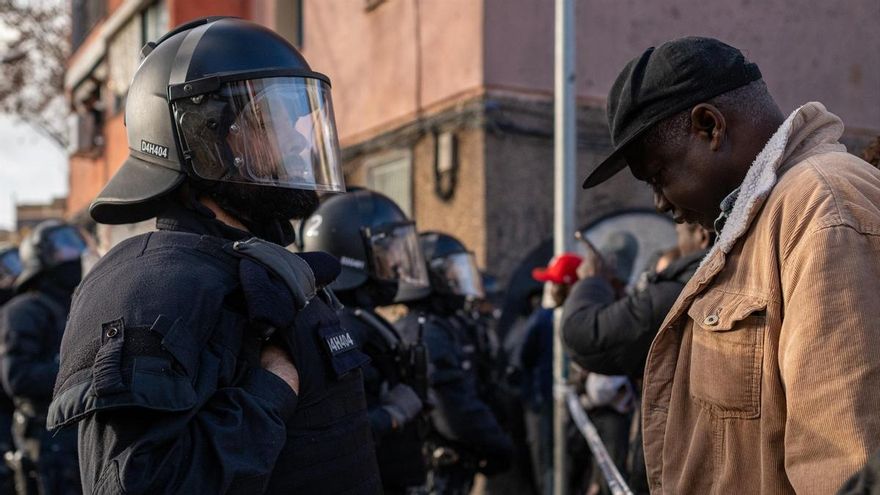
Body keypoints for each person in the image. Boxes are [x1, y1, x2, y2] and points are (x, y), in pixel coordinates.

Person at [46, 18, 381, 494]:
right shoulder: (149, 285)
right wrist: (271, 392)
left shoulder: (269, 272)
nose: (300, 143)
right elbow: (133, 483)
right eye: (269, 121)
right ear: (202, 136)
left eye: (300, 121)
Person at [581, 36, 880, 493]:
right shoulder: (757, 222)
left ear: (709, 126)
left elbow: (843, 465)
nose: (660, 203)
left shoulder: (822, 209)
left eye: (659, 177)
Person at [301, 189, 429, 494]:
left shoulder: (359, 318)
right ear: (354, 254)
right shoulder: (340, 326)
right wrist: (392, 414)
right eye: (387, 252)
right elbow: (334, 433)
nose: (396, 265)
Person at [395, 231, 513, 494]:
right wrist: (496, 444)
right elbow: (453, 409)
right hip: (436, 471)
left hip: (455, 464)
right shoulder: (426, 331)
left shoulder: (448, 324)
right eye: (450, 273)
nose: (458, 279)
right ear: (431, 277)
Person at [1, 221, 85, 495]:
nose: (72, 256)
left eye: (74, 246)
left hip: (77, 433)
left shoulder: (75, 302)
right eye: (62, 249)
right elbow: (18, 378)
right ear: (40, 257)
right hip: (46, 439)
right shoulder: (23, 310)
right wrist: (80, 371)